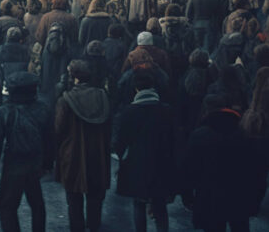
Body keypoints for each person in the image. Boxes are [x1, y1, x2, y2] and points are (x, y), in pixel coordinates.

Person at [182, 94, 265, 232]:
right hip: (239, 197)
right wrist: (256, 199)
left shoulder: (199, 135)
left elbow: (189, 168)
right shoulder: (243, 135)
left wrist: (188, 196)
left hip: (209, 197)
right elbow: (257, 170)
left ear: (205, 110)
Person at [0, 71, 52, 232]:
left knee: (7, 205)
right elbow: (50, 140)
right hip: (35, 163)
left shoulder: (3, 112)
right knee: (37, 204)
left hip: (13, 164)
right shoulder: (43, 109)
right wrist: (47, 164)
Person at [113, 71, 175, 232]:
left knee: (139, 203)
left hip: (137, 163)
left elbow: (121, 142)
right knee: (160, 205)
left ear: (136, 90)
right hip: (162, 162)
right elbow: (174, 139)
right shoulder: (166, 111)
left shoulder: (129, 112)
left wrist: (121, 159)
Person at [55, 60, 111, 232]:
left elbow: (58, 129)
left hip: (73, 156)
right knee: (95, 200)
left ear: (75, 78)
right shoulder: (102, 96)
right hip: (98, 154)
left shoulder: (66, 100)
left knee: (74, 200)